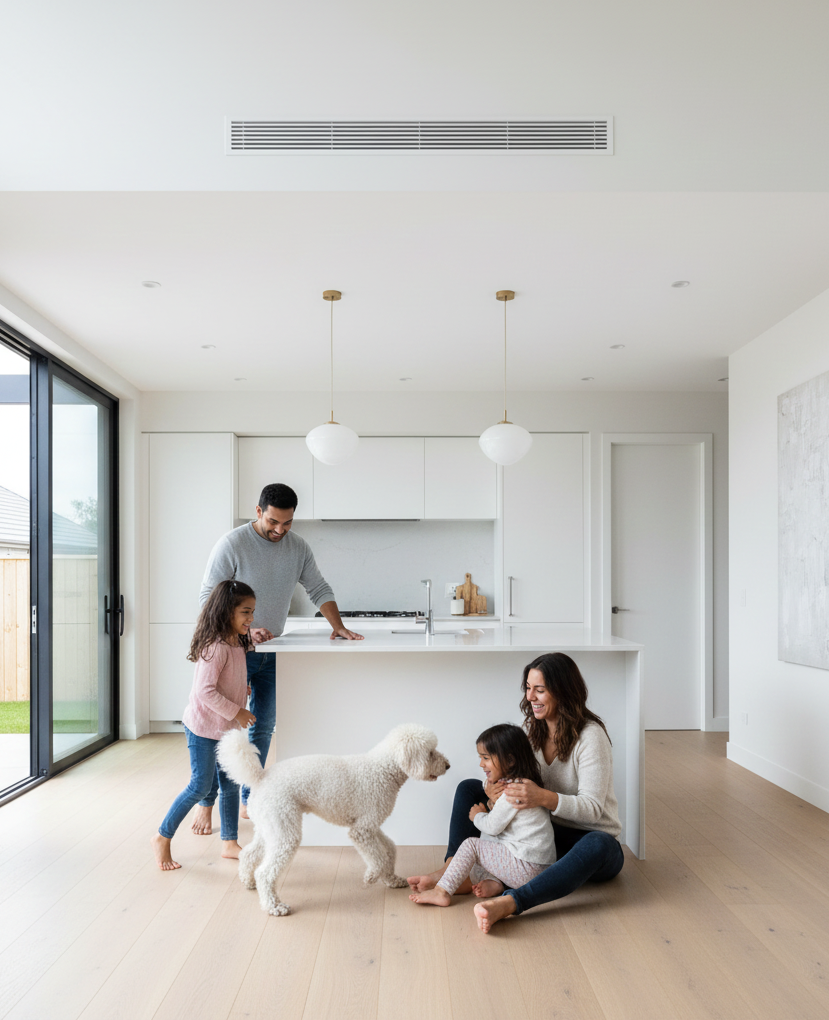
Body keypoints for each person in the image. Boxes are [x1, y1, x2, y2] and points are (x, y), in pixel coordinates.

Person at [407, 652, 624, 933]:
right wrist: (491, 791)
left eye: (540, 690)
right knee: (469, 788)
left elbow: (593, 809)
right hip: (541, 836)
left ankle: (512, 901)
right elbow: (508, 774)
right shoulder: (532, 730)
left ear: (563, 691)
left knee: (599, 843)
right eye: (528, 688)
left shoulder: (590, 736)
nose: (530, 697)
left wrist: (542, 797)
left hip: (587, 841)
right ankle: (453, 872)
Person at [192, 482, 363, 834]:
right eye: (273, 522)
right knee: (220, 729)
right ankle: (206, 802)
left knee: (263, 725)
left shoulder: (297, 547)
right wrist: (244, 631)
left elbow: (318, 588)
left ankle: (249, 798)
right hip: (234, 652)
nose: (280, 530)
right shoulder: (233, 544)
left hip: (272, 652)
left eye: (287, 523)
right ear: (258, 511)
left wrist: (339, 627)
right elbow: (208, 597)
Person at [151, 580, 257, 871]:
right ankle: (162, 837)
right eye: (246, 612)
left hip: (226, 729)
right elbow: (204, 691)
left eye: (252, 612)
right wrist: (238, 711)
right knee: (200, 786)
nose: (251, 618)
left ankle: (229, 843)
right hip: (203, 728)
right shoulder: (216, 646)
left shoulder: (237, 642)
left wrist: (241, 690)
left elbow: (227, 680)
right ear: (226, 612)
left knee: (231, 785)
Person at [408, 723, 556, 908]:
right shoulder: (522, 784)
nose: (481, 764)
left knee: (471, 845)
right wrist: (488, 796)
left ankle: (442, 891)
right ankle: (492, 882)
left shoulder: (512, 792)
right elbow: (489, 787)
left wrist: (478, 816)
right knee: (484, 847)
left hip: (527, 868)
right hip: (540, 869)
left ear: (510, 760)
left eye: (486, 758)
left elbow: (492, 826)